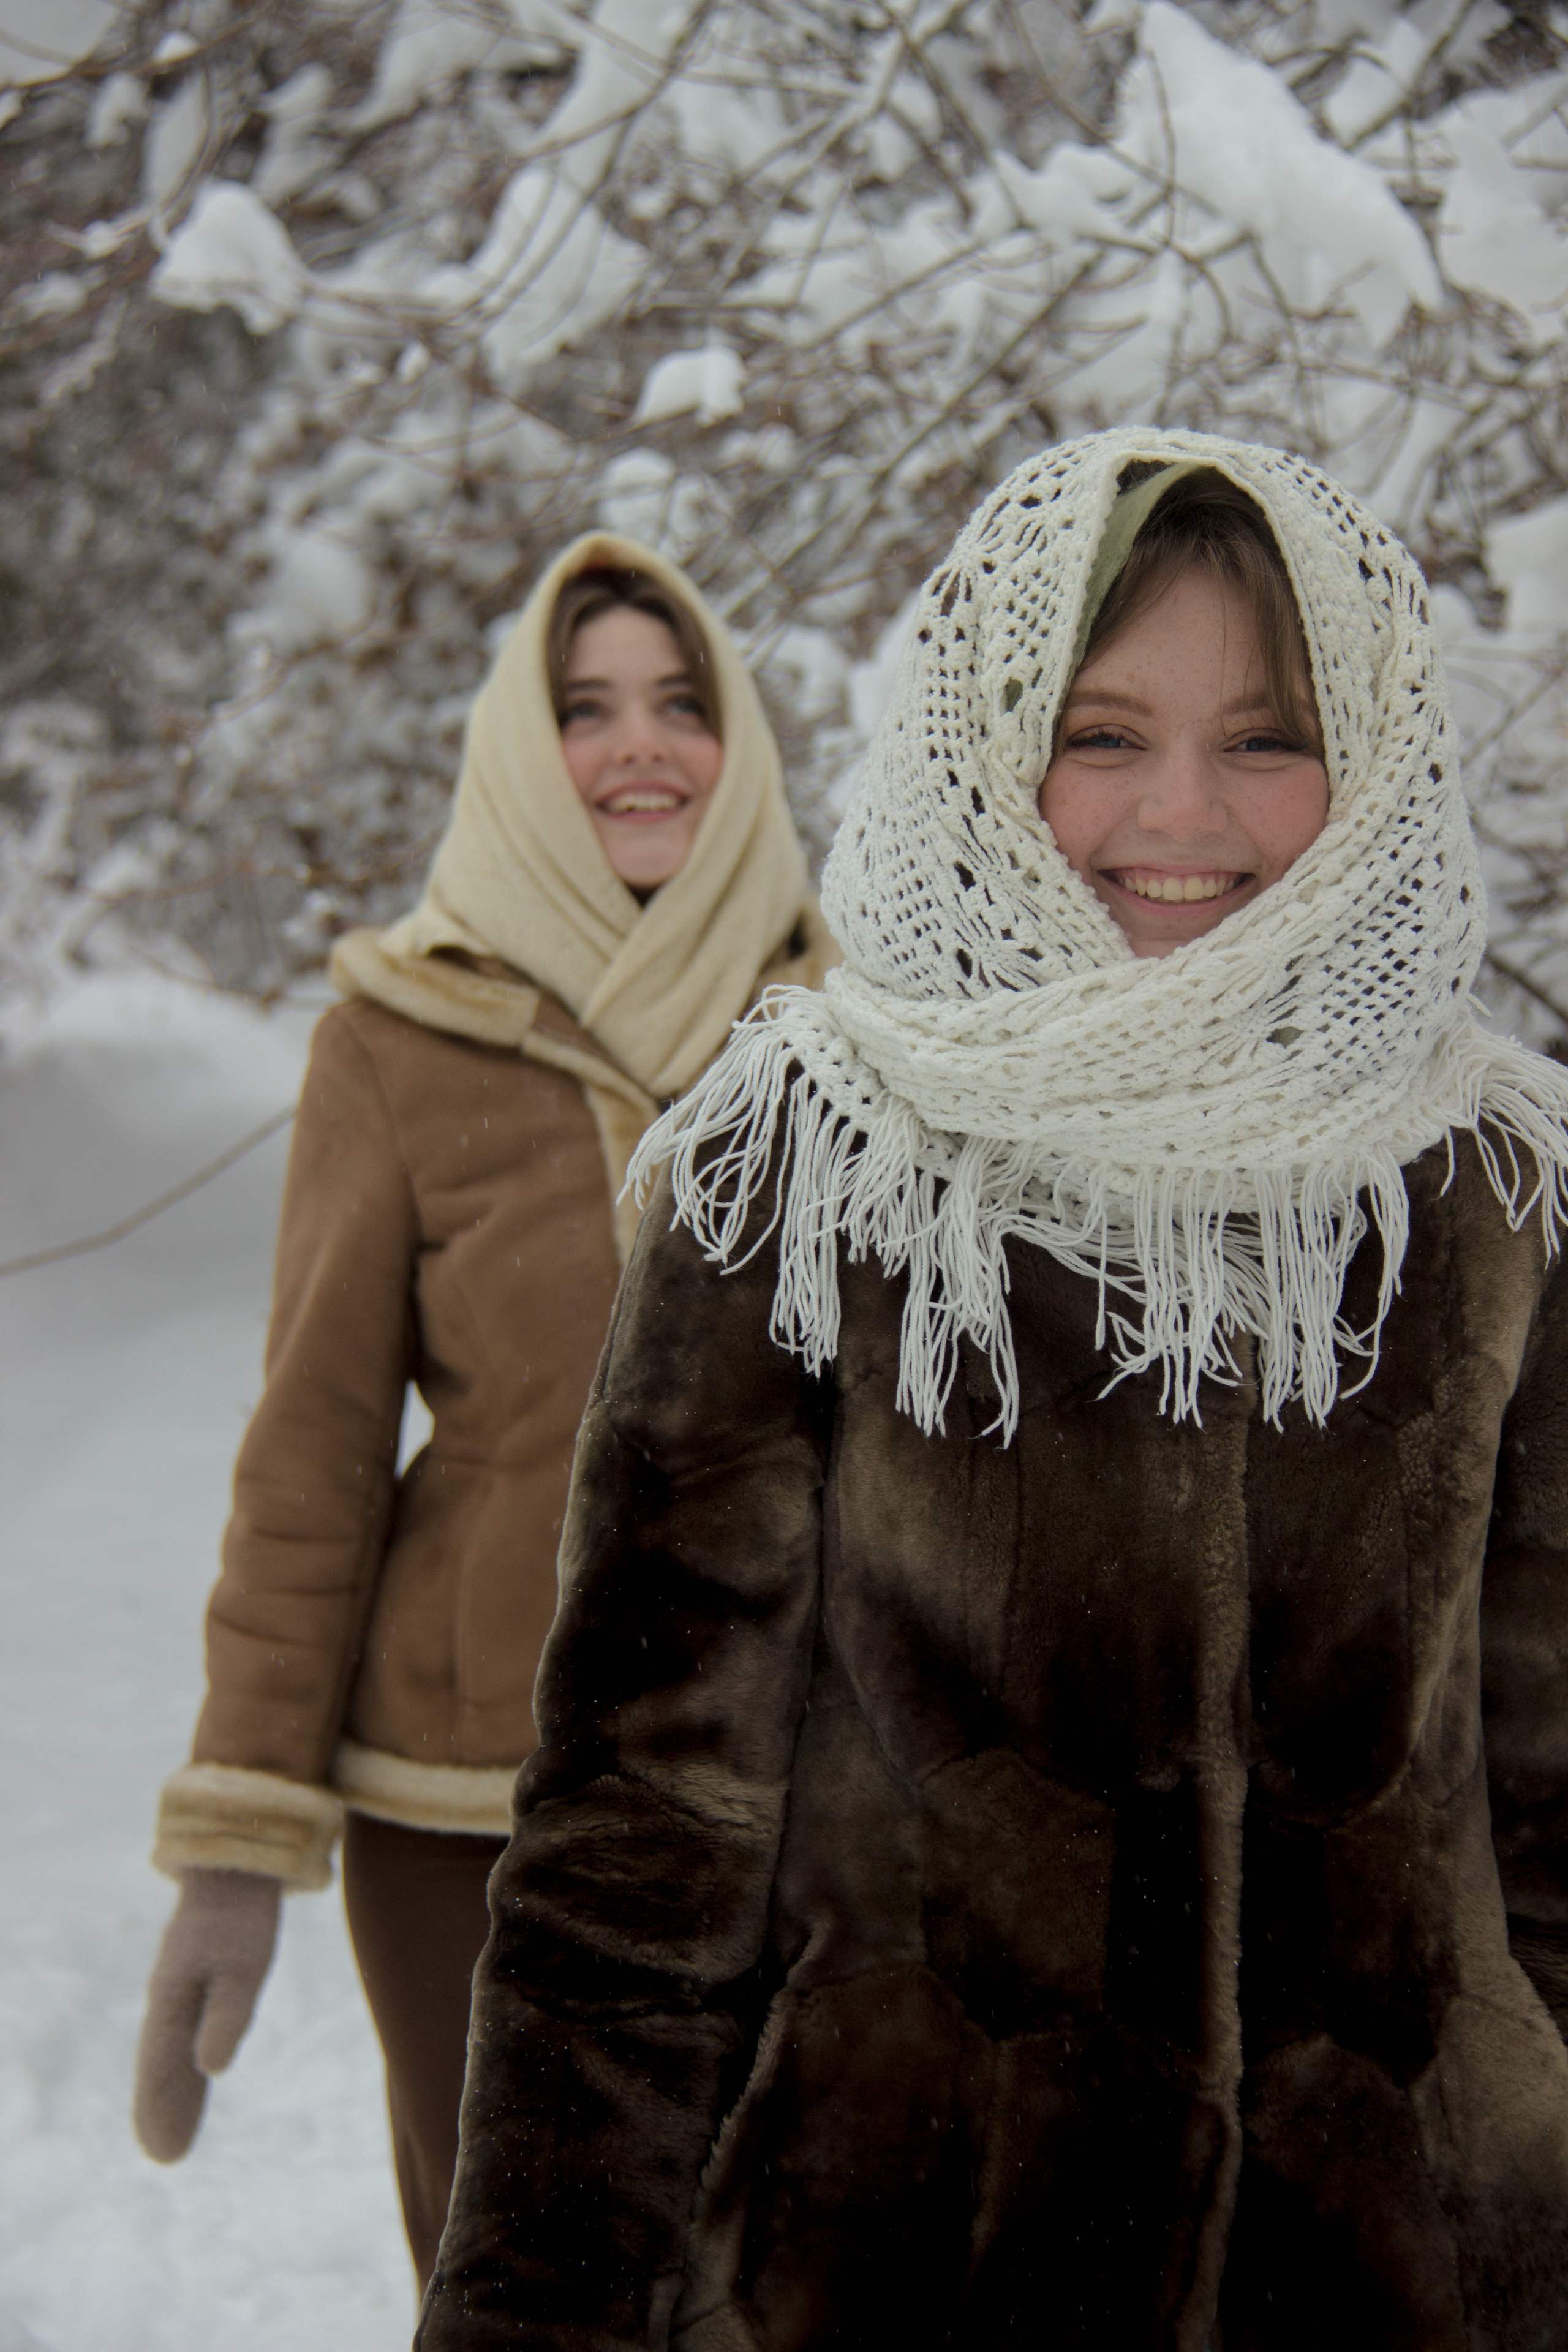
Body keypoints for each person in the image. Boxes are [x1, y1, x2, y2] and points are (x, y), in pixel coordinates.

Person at [415, 436, 1568, 2350]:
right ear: (985, 737)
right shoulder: (805, 1171)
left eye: (1268, 737)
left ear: (1367, 763)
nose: (1180, 814)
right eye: (1101, 733)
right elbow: (635, 1853)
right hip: (896, 2276)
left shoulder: (1491, 1186)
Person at [131, 530, 834, 2290]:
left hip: (796, 1793)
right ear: (525, 756)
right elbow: (312, 1449)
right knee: (521, 2284)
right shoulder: (401, 1036)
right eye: (583, 707)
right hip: (469, 1816)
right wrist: (236, 1837)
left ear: (738, 740)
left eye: (682, 701)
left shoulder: (851, 1035)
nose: (641, 743)